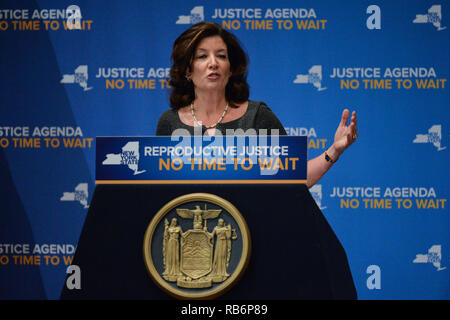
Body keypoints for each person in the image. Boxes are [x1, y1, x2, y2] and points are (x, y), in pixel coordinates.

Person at [156, 22, 357, 188]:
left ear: (231, 68)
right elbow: (158, 192)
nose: (213, 63)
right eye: (202, 56)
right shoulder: (169, 122)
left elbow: (294, 180)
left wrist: (334, 151)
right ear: (187, 71)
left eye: (221, 56)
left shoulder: (257, 115)